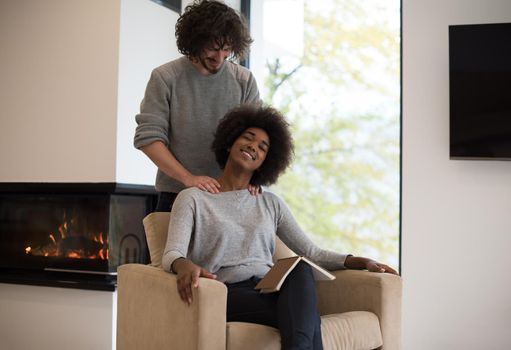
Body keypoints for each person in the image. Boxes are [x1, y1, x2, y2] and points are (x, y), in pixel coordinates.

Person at [163, 104, 398, 350]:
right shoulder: (193, 198)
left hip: (268, 289)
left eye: (262, 147)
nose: (253, 146)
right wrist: (184, 265)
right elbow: (172, 254)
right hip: (224, 293)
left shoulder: (270, 203)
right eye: (248, 138)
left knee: (300, 271)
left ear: (266, 161)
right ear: (230, 142)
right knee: (306, 317)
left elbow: (312, 253)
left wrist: (360, 261)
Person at [133, 0, 260, 212]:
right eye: (213, 49)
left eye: (227, 49)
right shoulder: (165, 78)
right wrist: (188, 178)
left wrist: (256, 175)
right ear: (195, 41)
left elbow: (258, 136)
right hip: (176, 196)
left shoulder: (244, 81)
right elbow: (148, 138)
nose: (219, 58)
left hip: (231, 196)